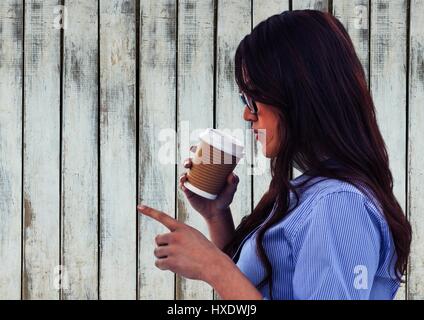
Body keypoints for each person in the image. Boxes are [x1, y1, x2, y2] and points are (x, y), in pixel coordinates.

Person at [137, 10, 412, 300]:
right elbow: (257, 289)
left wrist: (213, 266)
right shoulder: (311, 192)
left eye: (252, 98)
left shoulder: (337, 204)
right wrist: (216, 215)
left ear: (297, 96)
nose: (247, 113)